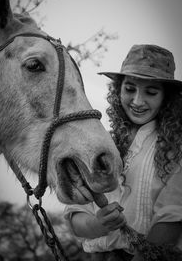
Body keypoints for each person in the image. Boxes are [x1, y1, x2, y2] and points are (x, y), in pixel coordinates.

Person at [64, 44, 182, 261]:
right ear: (118, 90)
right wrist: (97, 223)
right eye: (130, 88)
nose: (137, 101)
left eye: (151, 92)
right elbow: (76, 217)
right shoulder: (100, 142)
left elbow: (171, 221)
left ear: (167, 97)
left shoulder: (177, 148)